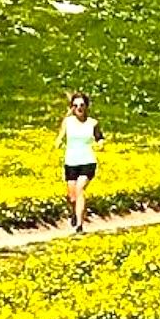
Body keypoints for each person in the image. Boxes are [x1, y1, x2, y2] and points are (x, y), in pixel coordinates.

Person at [54, 92, 105, 233]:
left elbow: (100, 137)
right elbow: (61, 135)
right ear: (72, 107)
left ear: (87, 106)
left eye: (82, 105)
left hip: (87, 161)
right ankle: (76, 214)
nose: (79, 108)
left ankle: (79, 225)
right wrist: (58, 141)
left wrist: (100, 144)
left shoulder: (92, 123)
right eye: (76, 105)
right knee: (72, 196)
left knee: (80, 189)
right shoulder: (68, 122)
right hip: (71, 162)